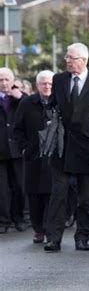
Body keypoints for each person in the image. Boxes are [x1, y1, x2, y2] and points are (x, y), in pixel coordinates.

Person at [44, 43, 89, 252]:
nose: (67, 60)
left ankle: (82, 237)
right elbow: (52, 106)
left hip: (88, 148)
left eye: (71, 57)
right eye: (66, 57)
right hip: (62, 147)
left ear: (83, 60)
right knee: (58, 195)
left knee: (85, 198)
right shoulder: (59, 79)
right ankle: (53, 238)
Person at [13, 70, 55, 243]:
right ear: (37, 85)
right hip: (33, 157)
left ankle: (49, 228)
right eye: (44, 83)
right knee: (34, 195)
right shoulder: (27, 103)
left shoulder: (59, 102)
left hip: (54, 156)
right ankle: (38, 229)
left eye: (50, 84)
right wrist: (25, 148)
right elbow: (17, 129)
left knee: (52, 195)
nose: (47, 86)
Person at [0, 68, 26, 234]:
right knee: (2, 189)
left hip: (17, 149)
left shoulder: (20, 99)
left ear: (13, 81)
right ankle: (3, 220)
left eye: (7, 80)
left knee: (19, 186)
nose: (4, 83)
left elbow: (34, 107)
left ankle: (19, 217)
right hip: (1, 150)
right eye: (1, 80)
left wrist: (21, 97)